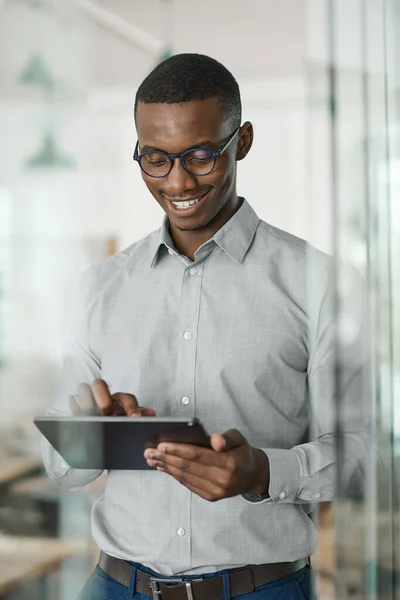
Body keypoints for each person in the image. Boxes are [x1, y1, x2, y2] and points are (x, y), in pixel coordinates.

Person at [42, 53, 370, 600]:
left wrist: (263, 473)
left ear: (241, 141)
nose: (177, 181)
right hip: (115, 585)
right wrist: (89, 433)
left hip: (264, 590)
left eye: (200, 156)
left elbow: (364, 458)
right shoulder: (101, 287)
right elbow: (60, 467)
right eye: (155, 159)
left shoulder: (321, 283)